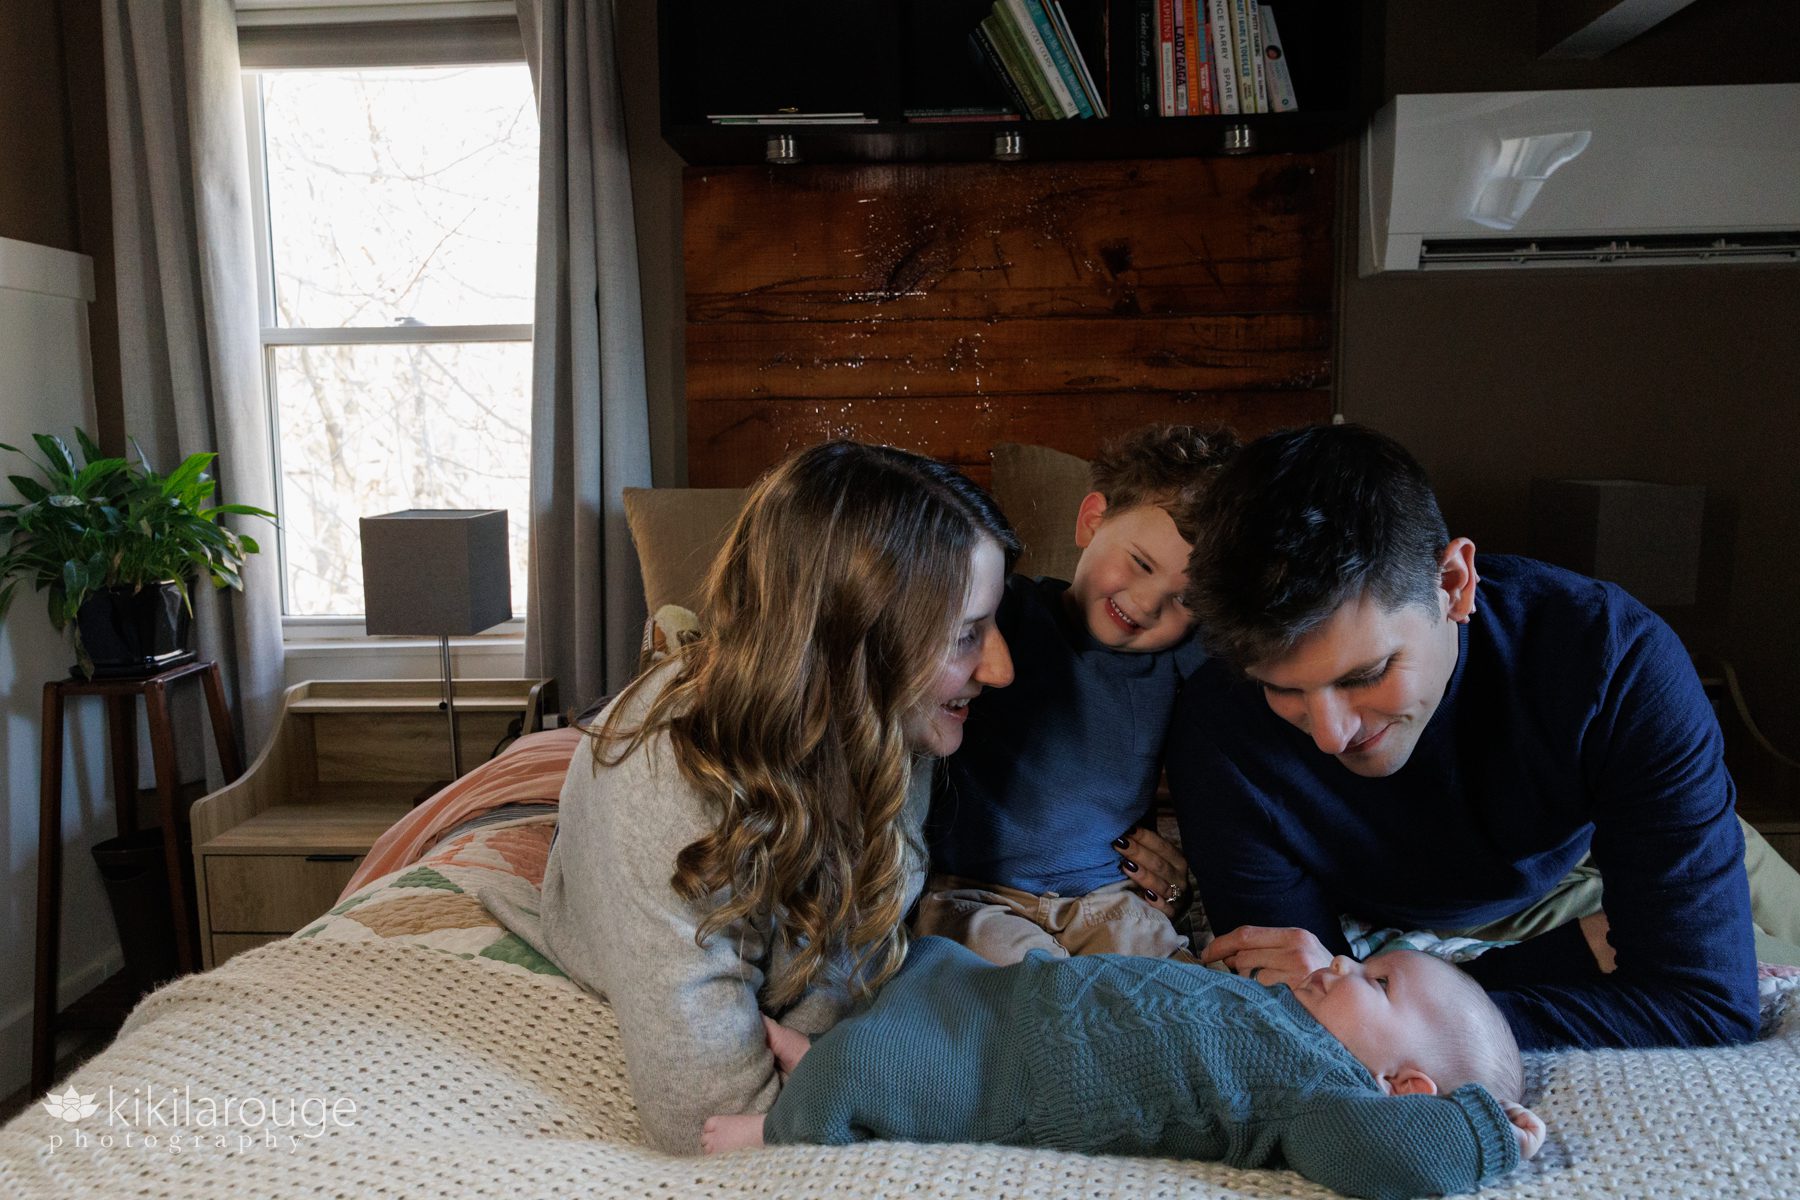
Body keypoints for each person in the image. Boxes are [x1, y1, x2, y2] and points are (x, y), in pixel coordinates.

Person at [1165, 422, 1766, 1051]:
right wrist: (1560, 959)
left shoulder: (1615, 661)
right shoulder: (1217, 727)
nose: (1330, 737)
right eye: (1283, 689)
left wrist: (1412, 1011)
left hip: (1589, 862)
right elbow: (1321, 1025)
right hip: (1403, 916)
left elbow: (1707, 1005)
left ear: (1455, 583)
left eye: (1366, 675)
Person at [530, 441, 1018, 1154]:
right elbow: (706, 1121)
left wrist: (834, 1064)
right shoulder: (661, 793)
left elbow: (854, 964)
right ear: (852, 645)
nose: (1002, 669)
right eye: (967, 635)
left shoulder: (888, 718)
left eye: (993, 625)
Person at [698, 936, 1544, 1200]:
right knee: (931, 973)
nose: (1346, 963)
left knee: (885, 1071)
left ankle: (780, 1127)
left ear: (1404, 1088)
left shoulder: (1327, 1097)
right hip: (1026, 998)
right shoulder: (1293, 1019)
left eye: (1379, 983)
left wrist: (1484, 1136)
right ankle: (828, 1055)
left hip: (1027, 1074)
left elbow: (1389, 1158)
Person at [919, 426, 1238, 964]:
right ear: (1092, 520)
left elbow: (1247, 689)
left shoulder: (1177, 660)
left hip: (1107, 896)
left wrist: (1176, 891)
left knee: (1174, 981)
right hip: (975, 894)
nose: (1147, 604)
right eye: (1140, 563)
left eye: (1186, 600)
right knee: (999, 983)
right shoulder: (1006, 614)